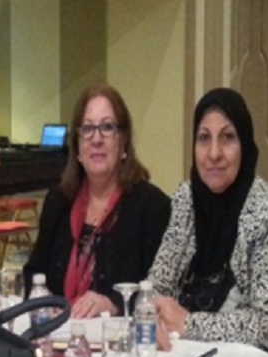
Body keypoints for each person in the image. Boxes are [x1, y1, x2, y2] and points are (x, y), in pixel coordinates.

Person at [149, 87, 268, 357]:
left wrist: (189, 324)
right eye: (204, 138)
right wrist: (152, 314)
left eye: (228, 137)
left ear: (245, 144)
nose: (214, 153)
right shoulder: (185, 199)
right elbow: (156, 287)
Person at [24, 83, 171, 318]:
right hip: (58, 331)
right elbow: (33, 273)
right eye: (87, 129)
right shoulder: (59, 201)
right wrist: (41, 298)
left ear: (123, 143)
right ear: (77, 148)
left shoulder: (152, 207)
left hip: (119, 336)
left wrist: (113, 304)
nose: (96, 139)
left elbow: (160, 291)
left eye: (107, 127)